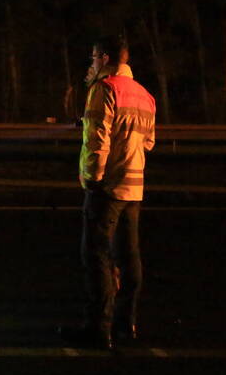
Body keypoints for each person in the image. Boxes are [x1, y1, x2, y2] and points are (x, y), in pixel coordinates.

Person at [60, 34, 156, 351]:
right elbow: (149, 142)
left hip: (108, 186)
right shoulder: (144, 94)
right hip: (135, 186)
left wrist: (92, 178)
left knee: (96, 255)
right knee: (129, 256)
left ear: (103, 57)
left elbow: (98, 139)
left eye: (92, 58)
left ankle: (98, 329)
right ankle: (126, 323)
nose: (91, 64)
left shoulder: (105, 89)